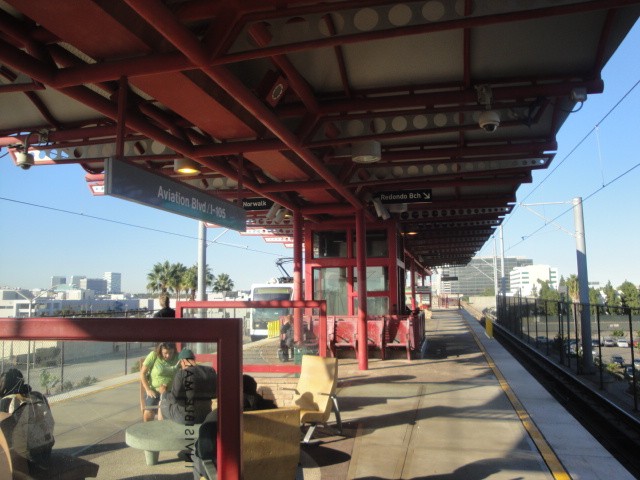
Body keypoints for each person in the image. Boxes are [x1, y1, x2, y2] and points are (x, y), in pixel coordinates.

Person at [192, 374, 276, 480]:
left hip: (230, 474)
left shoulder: (217, 416)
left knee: (196, 450)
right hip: (271, 471)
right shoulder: (273, 411)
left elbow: (204, 452)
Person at [0, 368, 55, 467]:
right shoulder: (39, 396)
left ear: (4, 385)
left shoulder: (6, 402)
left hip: (25, 458)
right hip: (46, 452)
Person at [160, 348, 217, 425]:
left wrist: (164, 393)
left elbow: (173, 399)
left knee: (162, 403)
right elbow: (215, 394)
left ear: (183, 361)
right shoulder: (210, 370)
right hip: (206, 414)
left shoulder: (181, 374)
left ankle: (163, 432)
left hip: (186, 417)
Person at [140, 342, 178, 422]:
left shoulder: (177, 357)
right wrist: (148, 389)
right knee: (148, 412)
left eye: (171, 353)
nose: (168, 356)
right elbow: (142, 373)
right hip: (154, 391)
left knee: (175, 411)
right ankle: (148, 430)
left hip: (171, 392)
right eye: (165, 353)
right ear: (160, 350)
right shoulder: (154, 355)